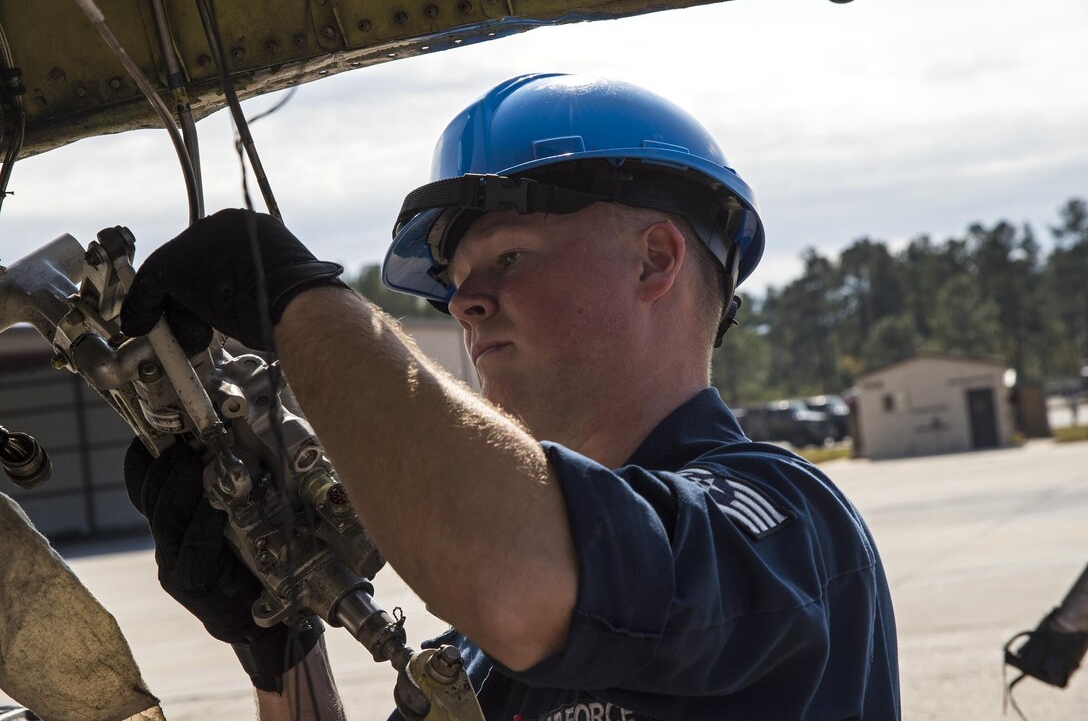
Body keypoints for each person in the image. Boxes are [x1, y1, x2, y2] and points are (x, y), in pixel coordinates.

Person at [121, 73, 899, 720]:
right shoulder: (476, 644)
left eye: (509, 257)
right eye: (456, 283)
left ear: (654, 260)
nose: (466, 304)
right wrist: (284, 660)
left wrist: (296, 300)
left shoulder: (784, 524)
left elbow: (524, 580)